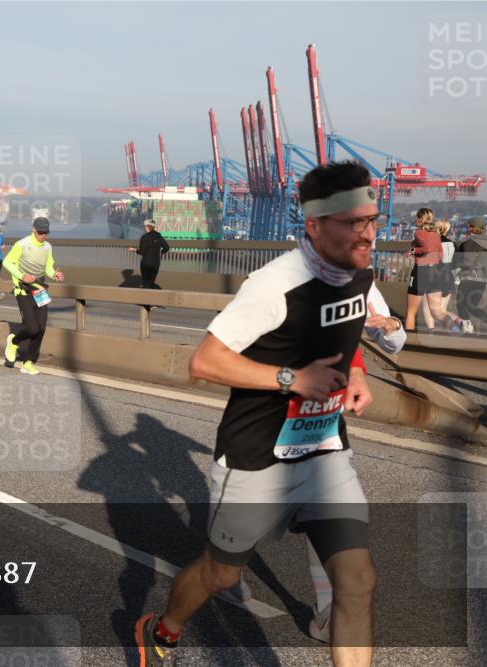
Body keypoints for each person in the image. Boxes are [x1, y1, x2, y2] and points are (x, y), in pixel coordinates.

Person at [135, 161, 407, 667]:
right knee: (222, 574)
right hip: (256, 457)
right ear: (314, 225)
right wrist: (292, 379)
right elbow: (204, 361)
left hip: (324, 452)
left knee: (358, 580)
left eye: (373, 220)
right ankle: (163, 628)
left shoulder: (359, 270)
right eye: (354, 223)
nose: (369, 234)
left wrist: (359, 373)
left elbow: (345, 332)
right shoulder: (274, 285)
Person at [1, 217, 64, 375]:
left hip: (39, 290)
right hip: (23, 290)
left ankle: (28, 362)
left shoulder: (48, 247)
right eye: (40, 232)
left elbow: (48, 266)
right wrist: (22, 276)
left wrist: (54, 274)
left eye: (46, 232)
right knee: (31, 327)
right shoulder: (22, 244)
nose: (43, 235)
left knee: (41, 328)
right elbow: (7, 262)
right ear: (34, 229)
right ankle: (14, 342)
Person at [404, 210, 471, 332]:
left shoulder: (419, 232)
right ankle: (456, 331)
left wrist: (412, 252)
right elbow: (440, 255)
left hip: (421, 272)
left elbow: (426, 248)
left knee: (411, 312)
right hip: (435, 273)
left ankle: (408, 341)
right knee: (438, 313)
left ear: (420, 219)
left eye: (417, 217)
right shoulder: (435, 234)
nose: (415, 219)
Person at [457, 216, 487, 328]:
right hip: (482, 279)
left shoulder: (469, 243)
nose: (467, 228)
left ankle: (466, 328)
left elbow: (467, 262)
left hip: (468, 278)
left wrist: (458, 264)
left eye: (468, 226)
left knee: (461, 305)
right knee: (472, 306)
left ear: (472, 228)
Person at [135, 219, 170, 289]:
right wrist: (161, 252)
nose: (144, 228)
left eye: (145, 226)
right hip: (156, 263)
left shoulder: (144, 237)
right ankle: (151, 296)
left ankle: (145, 296)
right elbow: (167, 247)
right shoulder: (159, 236)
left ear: (148, 227)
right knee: (151, 281)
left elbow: (142, 251)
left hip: (146, 263)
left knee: (145, 282)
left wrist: (135, 250)